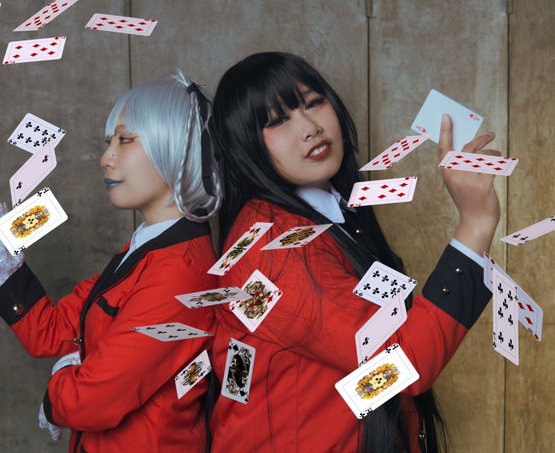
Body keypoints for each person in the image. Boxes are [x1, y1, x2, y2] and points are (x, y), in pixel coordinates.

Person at [208, 52, 500, 452]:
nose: (310, 127)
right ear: (244, 145)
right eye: (277, 121)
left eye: (314, 103)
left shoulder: (334, 209)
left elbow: (374, 374)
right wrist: (475, 224)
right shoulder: (271, 253)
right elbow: (399, 365)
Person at [0, 71, 222, 453]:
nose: (106, 158)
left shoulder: (178, 272)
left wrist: (61, 382)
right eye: (108, 142)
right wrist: (0, 228)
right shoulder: (146, 247)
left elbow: (90, 401)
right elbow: (53, 331)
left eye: (125, 140)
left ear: (176, 148)